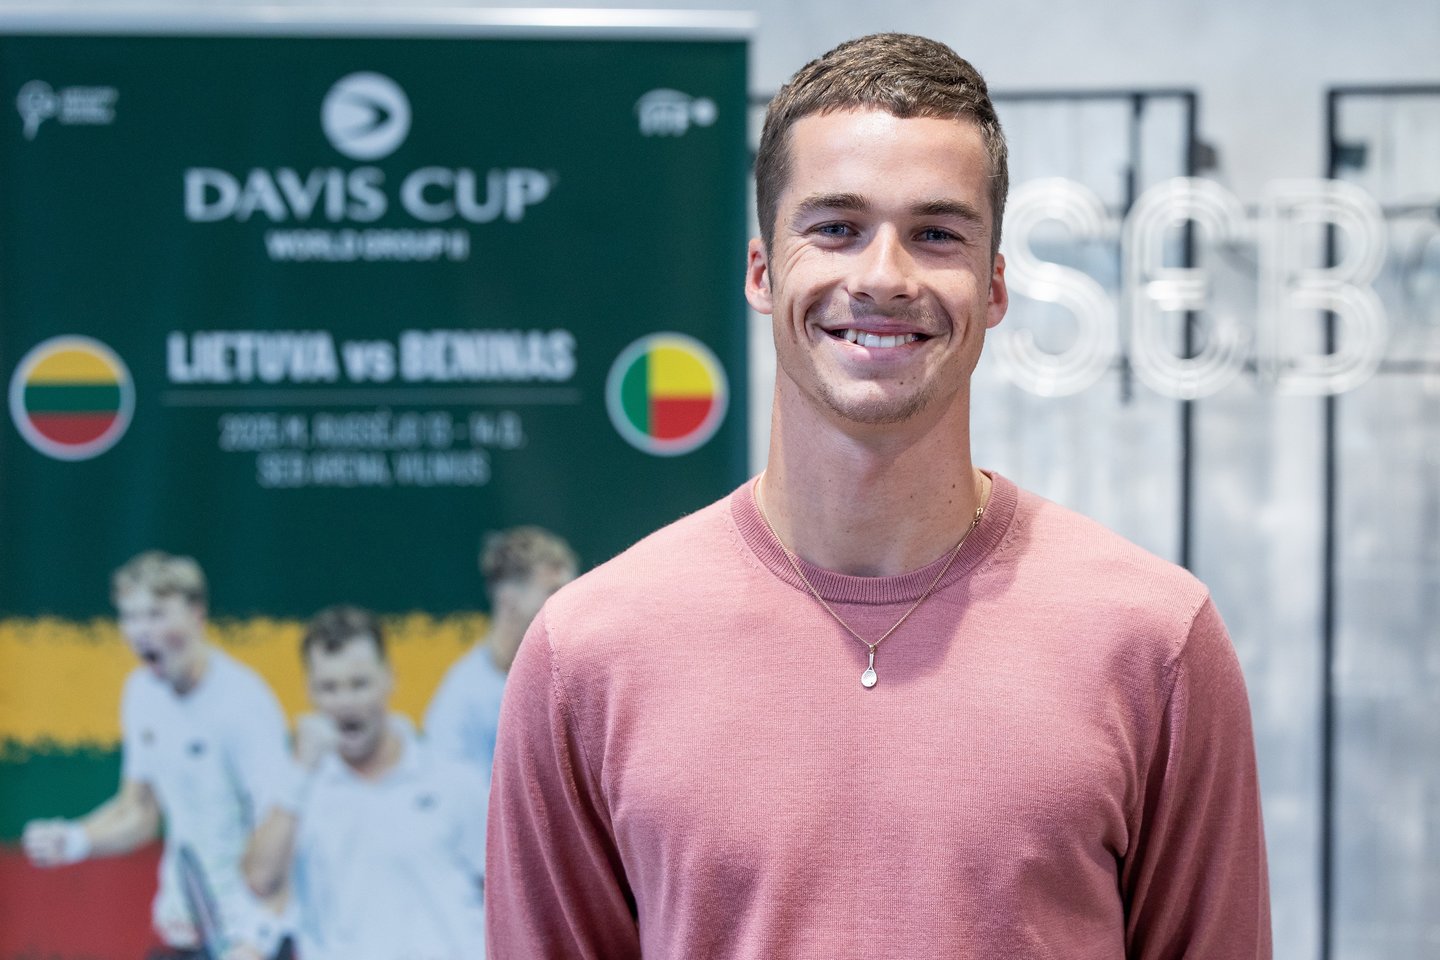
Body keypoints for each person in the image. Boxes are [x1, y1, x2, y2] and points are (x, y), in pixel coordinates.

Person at [486, 32, 1271, 959]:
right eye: (835, 228)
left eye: (936, 234)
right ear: (761, 270)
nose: (883, 277)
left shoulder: (1153, 641)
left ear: (995, 286)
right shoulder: (590, 653)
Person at [21, 550, 295, 960]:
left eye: (156, 614)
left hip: (251, 938)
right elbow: (140, 811)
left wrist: (257, 937)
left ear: (197, 614)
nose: (140, 631)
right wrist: (76, 839)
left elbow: (281, 832)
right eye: (130, 616)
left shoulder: (244, 704)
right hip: (183, 931)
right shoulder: (142, 693)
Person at [247, 605, 488, 960]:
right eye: (329, 687)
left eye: (359, 684)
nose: (345, 702)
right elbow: (260, 882)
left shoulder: (454, 781)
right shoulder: (294, 790)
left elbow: (508, 892)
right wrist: (300, 774)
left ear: (389, 679)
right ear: (309, 692)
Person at [424, 526, 578, 780]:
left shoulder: (576, 681)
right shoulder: (460, 700)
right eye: (553, 591)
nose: (569, 604)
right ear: (508, 597)